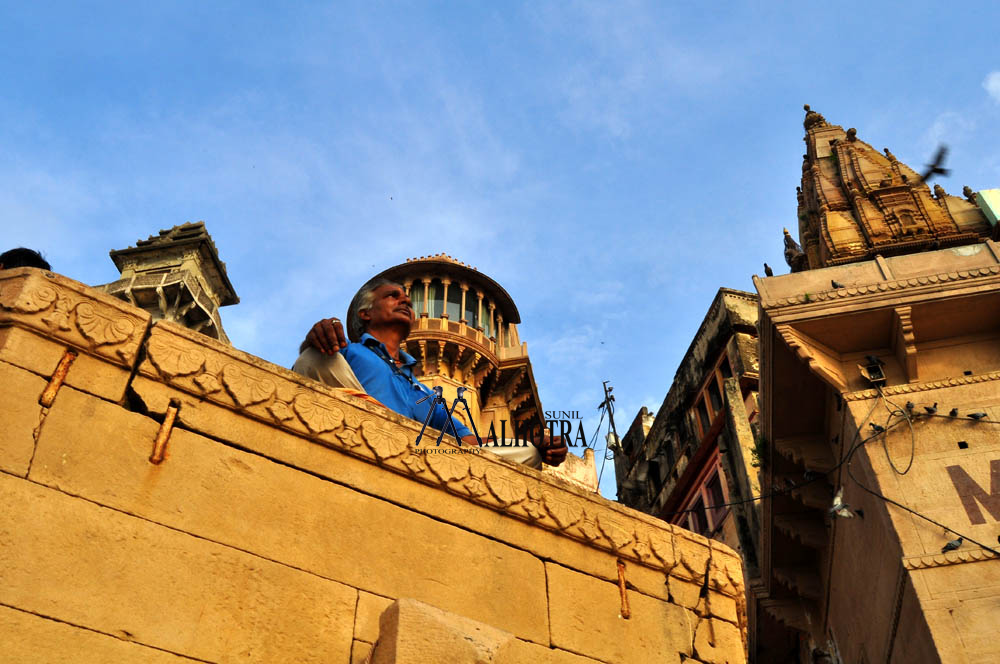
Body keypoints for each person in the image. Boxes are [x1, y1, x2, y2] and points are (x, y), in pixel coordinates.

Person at [293, 278, 568, 467]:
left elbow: (471, 441)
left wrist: (529, 441)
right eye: (392, 296)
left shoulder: (423, 390)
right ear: (365, 313)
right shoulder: (351, 352)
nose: (405, 302)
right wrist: (315, 338)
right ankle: (377, 417)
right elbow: (312, 368)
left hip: (417, 449)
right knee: (316, 358)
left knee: (527, 454)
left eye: (409, 300)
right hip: (362, 425)